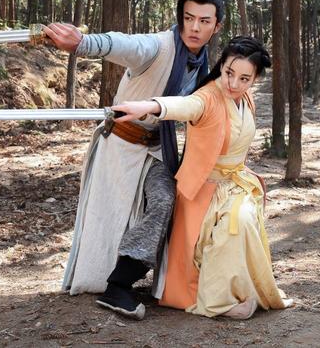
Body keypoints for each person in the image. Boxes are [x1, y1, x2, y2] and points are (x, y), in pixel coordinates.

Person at [42, 0, 224, 320]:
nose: (194, 28)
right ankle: (114, 285)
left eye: (204, 21)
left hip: (157, 149)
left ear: (216, 27)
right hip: (121, 145)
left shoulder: (202, 66)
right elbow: (123, 44)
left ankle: (127, 282)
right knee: (110, 220)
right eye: (188, 18)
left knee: (166, 199)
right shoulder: (158, 46)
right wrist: (82, 42)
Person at [112, 36, 293, 319]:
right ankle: (219, 301)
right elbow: (187, 105)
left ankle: (241, 290)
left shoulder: (246, 99)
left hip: (235, 183)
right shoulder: (208, 97)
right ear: (221, 66)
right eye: (229, 73)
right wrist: (152, 106)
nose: (233, 83)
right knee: (234, 225)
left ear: (255, 79)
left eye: (244, 78)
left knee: (244, 219)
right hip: (204, 189)